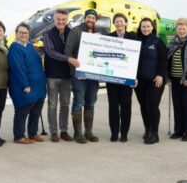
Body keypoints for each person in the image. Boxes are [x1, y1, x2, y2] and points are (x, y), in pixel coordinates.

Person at [65, 9, 101, 144]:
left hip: (93, 75)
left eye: (93, 18)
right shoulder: (76, 31)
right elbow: (68, 51)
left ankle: (88, 131)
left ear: (95, 20)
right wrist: (74, 70)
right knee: (79, 101)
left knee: (90, 102)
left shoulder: (98, 34)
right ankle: (78, 133)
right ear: (85, 18)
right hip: (79, 75)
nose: (90, 19)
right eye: (89, 17)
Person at [42, 9, 78, 142]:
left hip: (67, 76)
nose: (61, 22)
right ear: (54, 19)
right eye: (58, 20)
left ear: (67, 19)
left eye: (63, 20)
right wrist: (68, 59)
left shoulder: (72, 33)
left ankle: (64, 131)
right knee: (52, 105)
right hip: (52, 75)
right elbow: (51, 52)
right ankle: (53, 132)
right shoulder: (48, 34)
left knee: (65, 104)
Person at [8, 23, 47, 144]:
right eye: (21, 33)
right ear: (17, 34)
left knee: (36, 111)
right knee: (22, 110)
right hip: (25, 86)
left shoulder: (30, 45)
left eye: (26, 33)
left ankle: (33, 133)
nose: (24, 35)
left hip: (38, 86)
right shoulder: (15, 47)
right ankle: (19, 136)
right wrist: (25, 85)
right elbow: (18, 68)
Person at [106, 13, 138, 142]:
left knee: (126, 105)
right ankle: (114, 133)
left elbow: (137, 57)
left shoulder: (133, 37)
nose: (119, 23)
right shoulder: (108, 38)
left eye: (121, 21)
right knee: (113, 105)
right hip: (112, 77)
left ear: (126, 23)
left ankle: (124, 133)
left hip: (127, 77)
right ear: (114, 24)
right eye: (117, 22)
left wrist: (135, 76)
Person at [135, 18, 167, 145]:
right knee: (143, 105)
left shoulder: (158, 42)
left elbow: (164, 59)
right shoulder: (135, 41)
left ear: (152, 27)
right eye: (143, 26)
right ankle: (148, 129)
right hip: (140, 80)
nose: (146, 29)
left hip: (155, 80)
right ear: (140, 27)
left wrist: (160, 75)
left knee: (152, 105)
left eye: (148, 26)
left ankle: (155, 133)